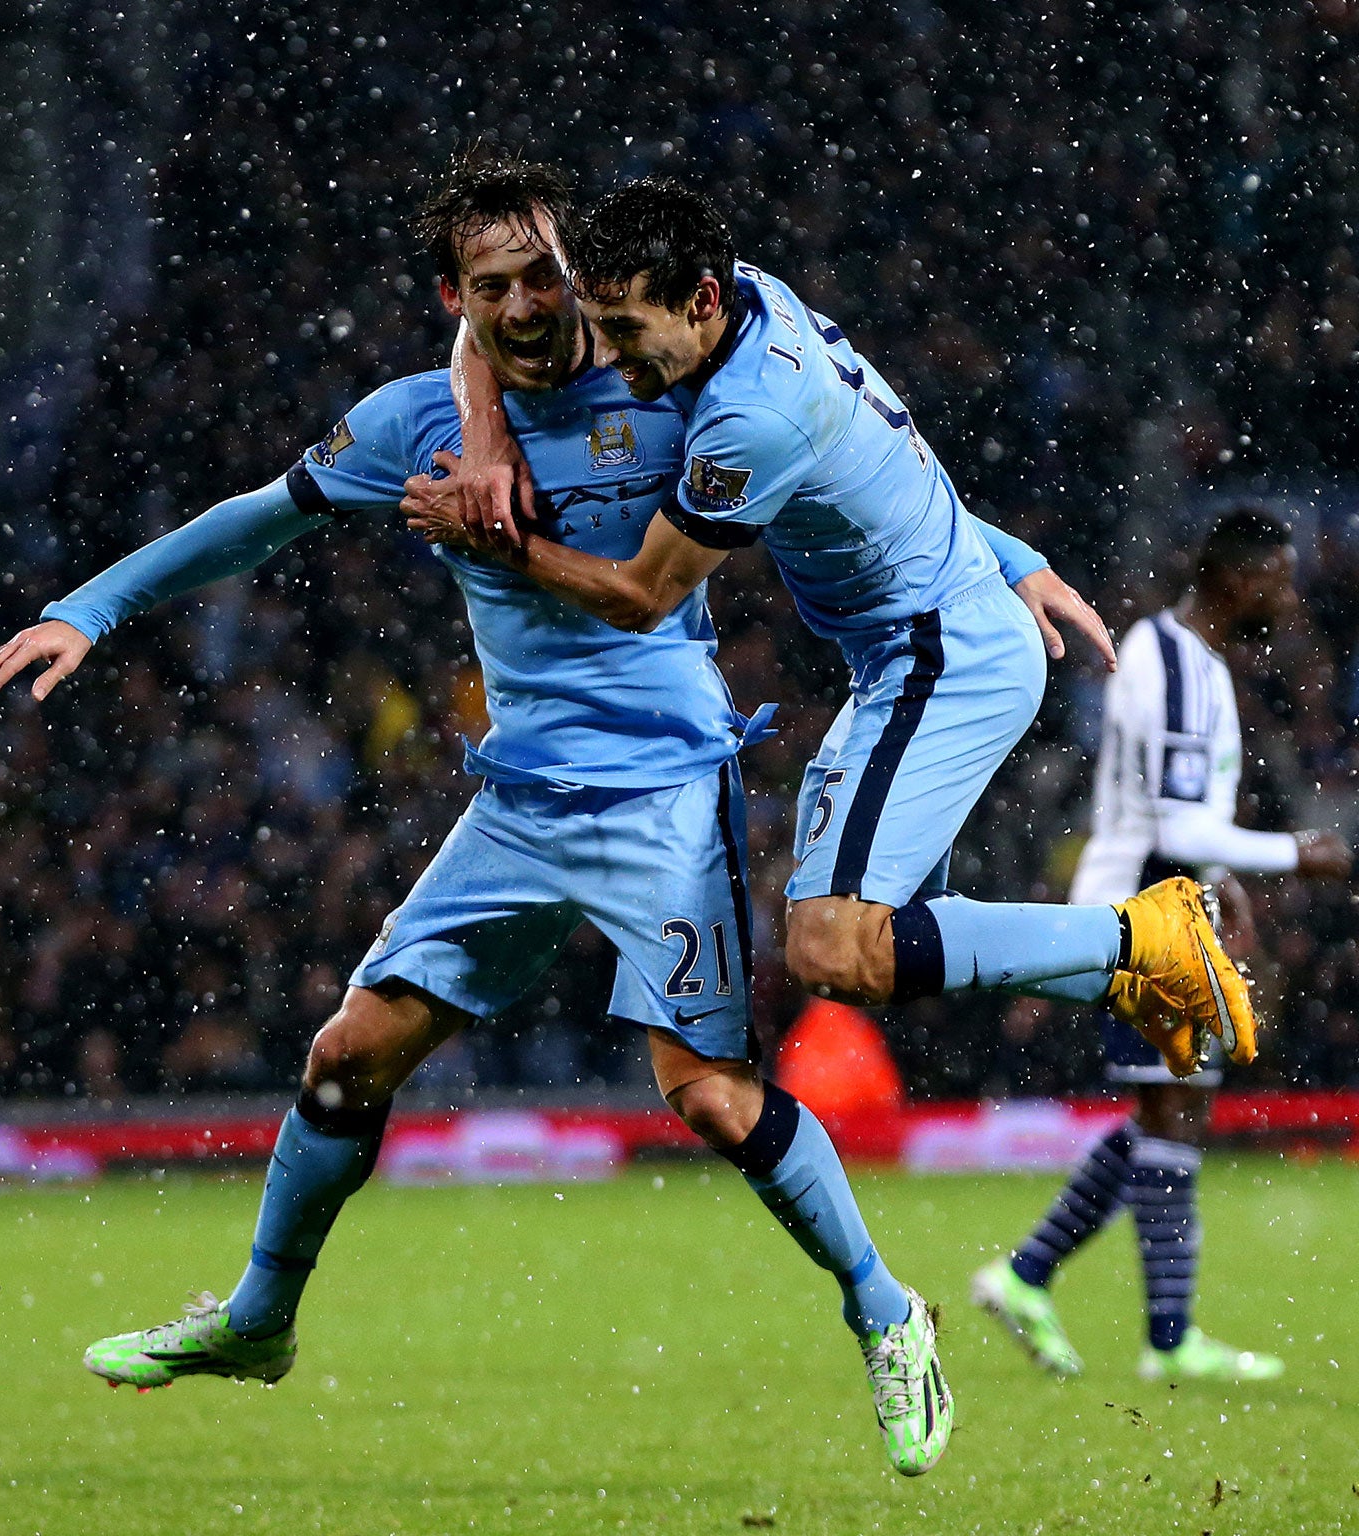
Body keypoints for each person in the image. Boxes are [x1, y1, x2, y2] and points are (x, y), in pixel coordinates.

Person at [0, 154, 954, 1477]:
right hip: (519, 800)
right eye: (491, 286)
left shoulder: (671, 388)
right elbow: (258, 523)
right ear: (457, 296)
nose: (528, 303)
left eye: (545, 273)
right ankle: (258, 1321)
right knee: (344, 1057)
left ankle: (888, 1313)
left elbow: (860, 460)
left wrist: (1008, 565)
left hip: (667, 789)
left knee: (714, 1101)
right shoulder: (412, 427)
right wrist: (87, 609)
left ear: (582, 273)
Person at [416, 175, 1255, 1076]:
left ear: (700, 301)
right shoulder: (731, 286)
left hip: (941, 655)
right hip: (919, 641)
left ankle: (1144, 935)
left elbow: (641, 598)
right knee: (875, 948)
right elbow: (486, 323)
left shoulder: (752, 419)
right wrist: (487, 431)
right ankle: (1126, 974)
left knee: (829, 946)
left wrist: (499, 546)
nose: (612, 360)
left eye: (625, 334)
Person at [972, 508, 1351, 1381]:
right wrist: (1301, 854)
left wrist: (1225, 884)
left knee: (1166, 1113)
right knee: (1174, 1114)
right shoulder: (1176, 665)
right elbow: (1179, 821)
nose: (1287, 598)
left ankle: (1033, 1278)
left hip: (1163, 908)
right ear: (1234, 576)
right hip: (1144, 922)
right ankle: (1164, 1339)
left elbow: (1179, 820)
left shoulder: (1187, 658)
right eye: (1276, 578)